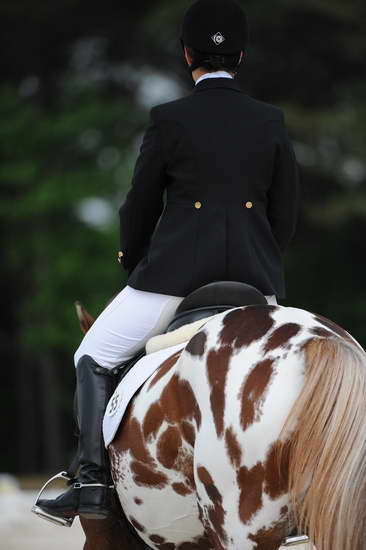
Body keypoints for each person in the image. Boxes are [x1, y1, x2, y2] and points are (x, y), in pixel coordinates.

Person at [36, 0, 299, 521]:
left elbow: (139, 205)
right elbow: (285, 212)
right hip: (255, 280)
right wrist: (262, 261)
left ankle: (90, 484)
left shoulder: (169, 118)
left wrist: (132, 260)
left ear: (186, 55)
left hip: (175, 280)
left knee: (92, 356)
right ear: (241, 56)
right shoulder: (271, 120)